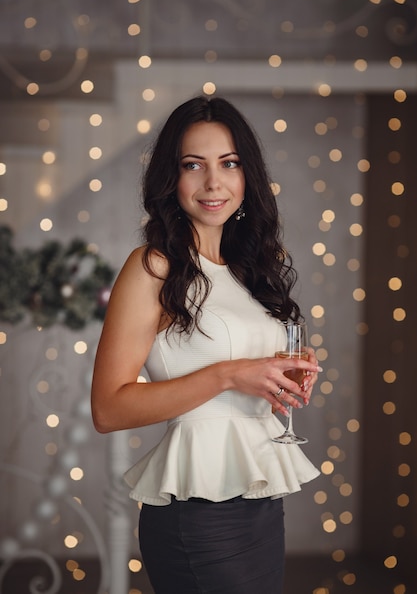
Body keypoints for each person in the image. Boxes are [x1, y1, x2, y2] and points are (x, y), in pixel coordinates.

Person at [91, 95, 321, 594]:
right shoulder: (153, 266)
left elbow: (252, 371)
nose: (213, 183)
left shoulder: (247, 271)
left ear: (246, 176)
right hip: (198, 515)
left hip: (260, 503)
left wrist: (280, 370)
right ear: (171, 180)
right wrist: (229, 374)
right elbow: (108, 409)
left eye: (229, 164)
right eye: (193, 165)